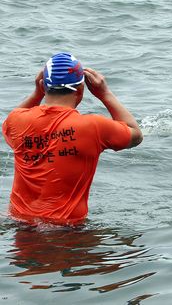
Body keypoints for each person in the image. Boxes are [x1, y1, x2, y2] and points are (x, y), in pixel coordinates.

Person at [2, 52, 143, 225]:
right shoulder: (94, 126)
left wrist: (36, 93)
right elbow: (135, 135)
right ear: (81, 89)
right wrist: (105, 93)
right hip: (68, 232)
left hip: (19, 226)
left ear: (43, 86)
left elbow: (9, 124)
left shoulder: (16, 121)